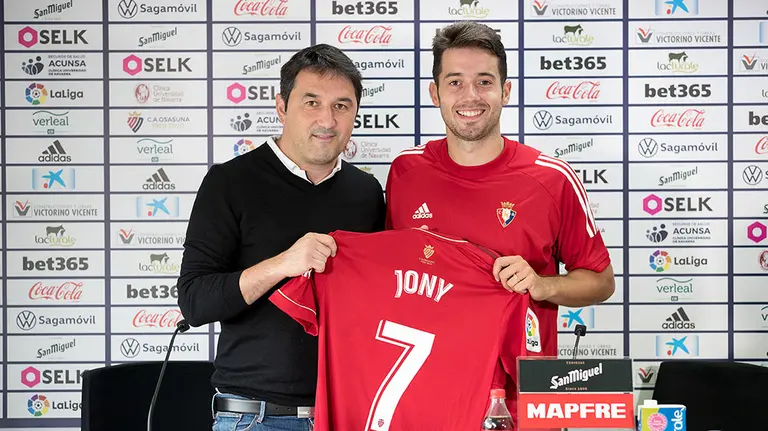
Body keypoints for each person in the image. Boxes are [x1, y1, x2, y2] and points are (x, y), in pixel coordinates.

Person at [384, 21, 615, 420]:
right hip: (426, 391)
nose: (470, 96)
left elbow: (601, 281)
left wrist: (542, 284)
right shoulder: (406, 170)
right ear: (434, 93)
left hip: (526, 399)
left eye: (484, 81)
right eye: (454, 82)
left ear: (505, 91)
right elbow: (390, 280)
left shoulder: (552, 179)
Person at [177, 44, 385, 431]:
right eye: (312, 102)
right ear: (281, 106)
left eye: (342, 106)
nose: (327, 120)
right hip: (255, 417)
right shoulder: (230, 182)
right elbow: (194, 301)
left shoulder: (367, 191)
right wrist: (283, 263)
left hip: (348, 412)